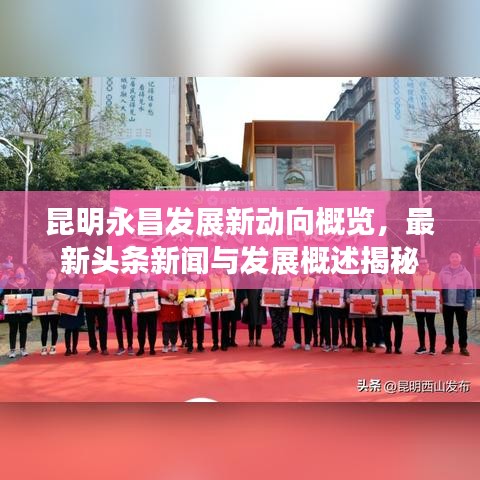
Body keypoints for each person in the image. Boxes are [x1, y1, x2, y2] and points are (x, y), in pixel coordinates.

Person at [439, 251, 474, 356]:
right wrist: (440, 303)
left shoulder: (466, 273)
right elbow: (439, 288)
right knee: (448, 327)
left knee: (462, 327)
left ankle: (463, 347)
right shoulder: (443, 272)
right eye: (452, 257)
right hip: (447, 304)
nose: (454, 259)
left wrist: (468, 304)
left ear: (460, 259)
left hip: (461, 305)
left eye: (456, 257)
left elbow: (469, 290)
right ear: (449, 259)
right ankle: (449, 346)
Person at [408, 257, 441, 355]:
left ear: (428, 265)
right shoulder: (414, 276)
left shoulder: (434, 275)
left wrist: (438, 302)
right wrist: (411, 301)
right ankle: (422, 346)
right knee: (420, 326)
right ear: (418, 265)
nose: (423, 265)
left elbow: (438, 289)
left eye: (425, 263)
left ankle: (432, 348)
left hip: (430, 304)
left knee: (431, 325)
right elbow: (411, 289)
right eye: (421, 263)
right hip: (418, 304)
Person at [1, 265, 34, 358]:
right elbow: (3, 295)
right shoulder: (9, 284)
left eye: (21, 271)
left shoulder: (29, 284)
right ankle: (12, 350)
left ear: (24, 273)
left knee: (23, 331)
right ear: (15, 273)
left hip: (24, 313)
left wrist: (32, 307)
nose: (20, 273)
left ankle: (23, 348)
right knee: (13, 331)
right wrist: (2, 300)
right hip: (12, 313)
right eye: (18, 271)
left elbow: (32, 297)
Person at [345, 272, 379, 353]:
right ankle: (358, 345)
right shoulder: (351, 278)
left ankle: (369, 345)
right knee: (357, 325)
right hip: (356, 304)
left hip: (368, 304)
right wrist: (347, 298)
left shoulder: (372, 277)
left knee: (369, 325)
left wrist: (376, 302)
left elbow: (375, 291)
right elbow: (347, 291)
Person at [82, 271, 111, 355]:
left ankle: (104, 348)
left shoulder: (105, 276)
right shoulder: (87, 275)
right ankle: (93, 347)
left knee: (103, 327)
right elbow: (83, 289)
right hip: (89, 306)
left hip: (101, 306)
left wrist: (107, 303)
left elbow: (109, 290)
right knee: (90, 327)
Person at [207, 269, 236, 351]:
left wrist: (232, 301)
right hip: (214, 302)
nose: (219, 269)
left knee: (225, 323)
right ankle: (215, 343)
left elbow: (230, 290)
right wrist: (209, 302)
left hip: (225, 301)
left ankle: (224, 343)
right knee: (214, 323)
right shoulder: (210, 278)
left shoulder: (227, 278)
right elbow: (207, 290)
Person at [177, 272, 207, 353]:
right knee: (188, 327)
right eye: (193, 273)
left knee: (200, 327)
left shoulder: (203, 282)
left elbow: (205, 294)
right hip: (189, 306)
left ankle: (200, 345)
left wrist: (205, 301)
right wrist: (182, 302)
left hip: (199, 306)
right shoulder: (184, 283)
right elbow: (181, 295)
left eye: (196, 273)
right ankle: (190, 345)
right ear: (190, 274)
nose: (195, 275)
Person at [316, 271, 344, 352]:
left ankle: (335, 344)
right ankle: (327, 343)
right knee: (325, 324)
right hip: (325, 305)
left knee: (335, 324)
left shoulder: (339, 280)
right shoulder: (321, 279)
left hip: (335, 306)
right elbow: (317, 291)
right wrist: (317, 299)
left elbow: (343, 291)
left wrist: (343, 301)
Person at [379, 270, 406, 354]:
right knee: (386, 330)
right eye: (390, 272)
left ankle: (397, 347)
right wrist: (382, 308)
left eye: (393, 272)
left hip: (398, 311)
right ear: (387, 274)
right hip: (387, 311)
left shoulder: (401, 283)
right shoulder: (382, 284)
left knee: (399, 330)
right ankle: (388, 347)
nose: (392, 274)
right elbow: (380, 296)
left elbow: (404, 296)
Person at [131, 272, 158, 356]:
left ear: (149, 274)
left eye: (146, 273)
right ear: (140, 275)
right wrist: (132, 305)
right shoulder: (135, 284)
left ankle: (152, 348)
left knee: (152, 330)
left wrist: (159, 304)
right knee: (141, 331)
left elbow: (158, 295)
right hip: (141, 312)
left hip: (152, 312)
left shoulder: (154, 283)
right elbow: (132, 295)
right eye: (143, 273)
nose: (145, 275)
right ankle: (141, 348)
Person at [57, 272, 83, 356]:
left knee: (76, 328)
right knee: (67, 329)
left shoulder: (80, 282)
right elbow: (58, 294)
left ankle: (74, 348)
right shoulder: (62, 282)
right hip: (66, 307)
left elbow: (82, 293)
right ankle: (68, 348)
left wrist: (79, 299)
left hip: (77, 308)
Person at [37, 267, 60, 355]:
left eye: (53, 272)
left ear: (56, 274)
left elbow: (61, 297)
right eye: (49, 272)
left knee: (54, 329)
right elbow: (37, 296)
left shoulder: (58, 285)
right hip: (43, 310)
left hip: (54, 311)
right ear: (46, 274)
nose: (51, 274)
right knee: (44, 329)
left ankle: (53, 346)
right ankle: (44, 347)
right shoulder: (41, 284)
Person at [289, 272, 315, 351]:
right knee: (296, 325)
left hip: (307, 307)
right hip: (295, 307)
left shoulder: (313, 280)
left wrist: (313, 301)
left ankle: (307, 343)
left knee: (308, 325)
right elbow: (290, 292)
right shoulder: (293, 280)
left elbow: (315, 293)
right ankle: (298, 342)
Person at [263, 272, 289, 348]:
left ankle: (282, 341)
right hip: (272, 303)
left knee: (283, 322)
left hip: (283, 303)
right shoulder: (269, 276)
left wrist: (286, 299)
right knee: (274, 322)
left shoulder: (286, 276)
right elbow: (265, 287)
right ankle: (276, 340)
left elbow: (289, 289)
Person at [110, 271, 134, 356]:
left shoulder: (130, 280)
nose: (120, 271)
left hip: (127, 307)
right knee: (118, 327)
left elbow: (132, 293)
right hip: (116, 308)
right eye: (119, 268)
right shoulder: (114, 280)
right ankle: (120, 346)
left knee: (129, 327)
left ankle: (130, 346)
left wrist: (132, 304)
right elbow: (111, 293)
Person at [239, 276, 267, 346]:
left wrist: (263, 297)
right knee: (251, 319)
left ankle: (258, 339)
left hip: (260, 299)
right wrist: (245, 297)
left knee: (259, 319)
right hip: (250, 298)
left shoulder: (263, 273)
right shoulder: (247, 273)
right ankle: (251, 339)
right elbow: (243, 285)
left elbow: (266, 286)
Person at [158, 274, 183, 353]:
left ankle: (173, 344)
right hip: (165, 308)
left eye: (172, 270)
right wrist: (167, 295)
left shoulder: (179, 281)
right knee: (166, 328)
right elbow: (159, 290)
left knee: (174, 328)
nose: (170, 273)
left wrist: (175, 296)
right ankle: (165, 345)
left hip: (175, 308)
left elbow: (182, 291)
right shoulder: (161, 281)